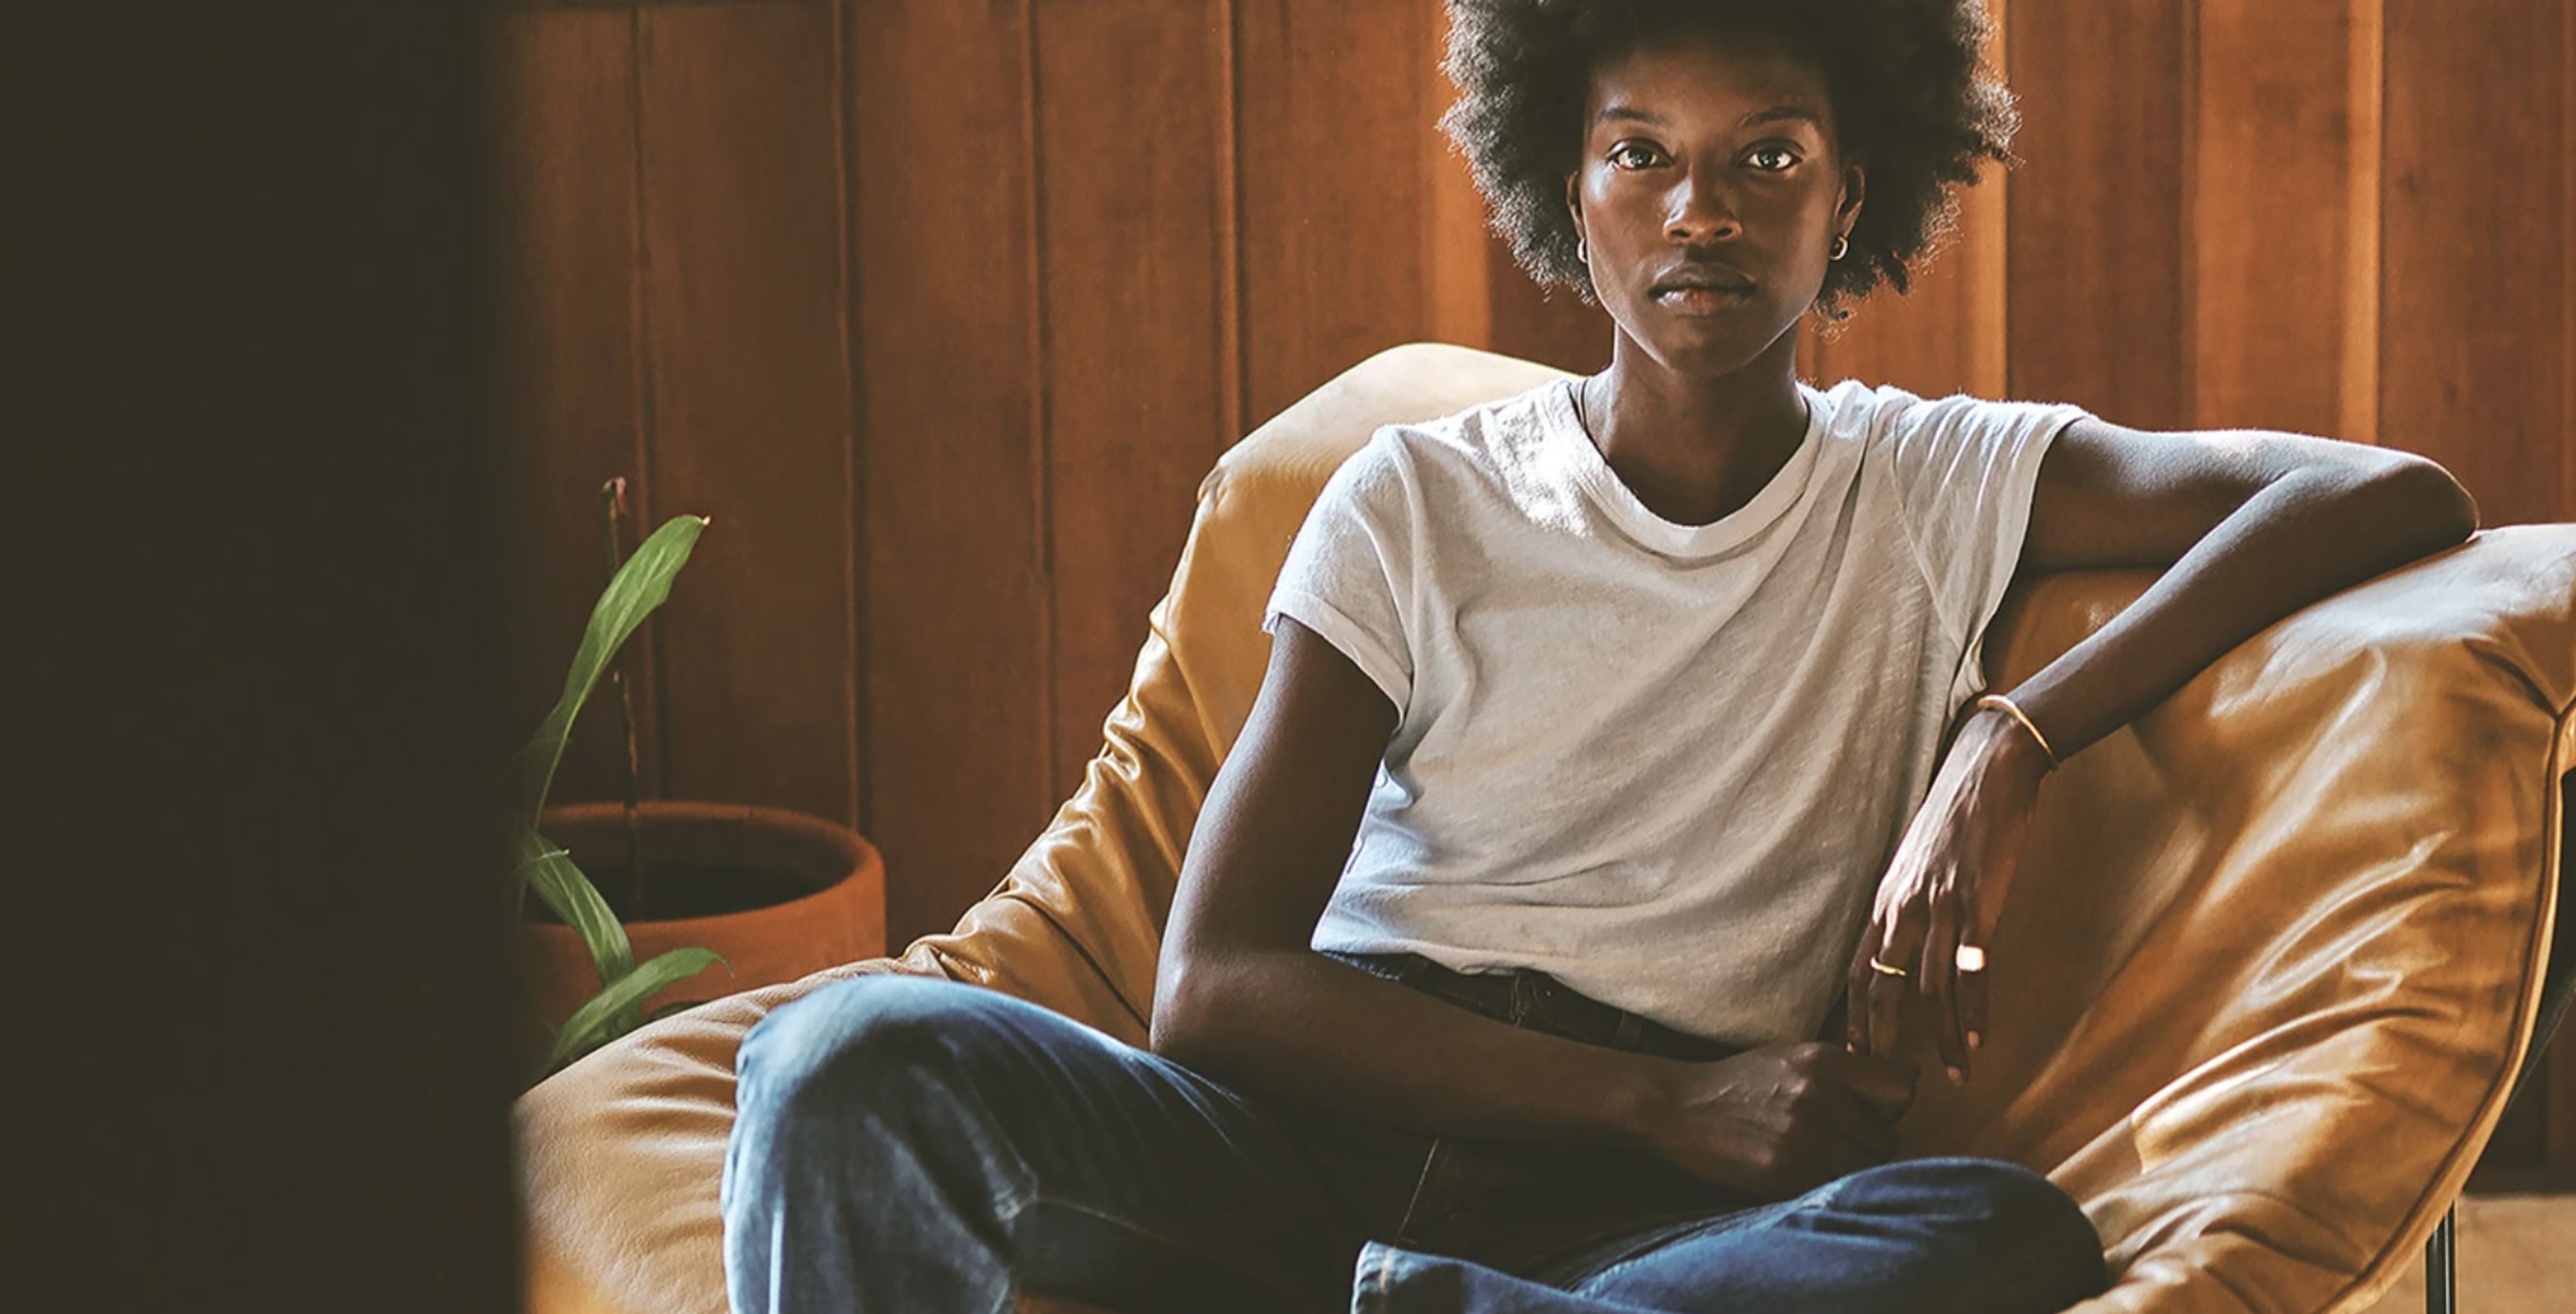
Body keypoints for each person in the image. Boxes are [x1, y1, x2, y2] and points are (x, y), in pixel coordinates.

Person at [720, 2, 2478, 1310]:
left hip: (1632, 1239)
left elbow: (2384, 495)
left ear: (1854, 185)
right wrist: (1663, 1101)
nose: (1700, 210)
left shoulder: (1942, 483)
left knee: (1993, 1237)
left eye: (1764, 157)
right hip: (1305, 1155)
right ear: (1569, 186)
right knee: (842, 1062)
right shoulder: (1414, 503)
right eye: (1643, 153)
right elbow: (1218, 987)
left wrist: (2005, 742)